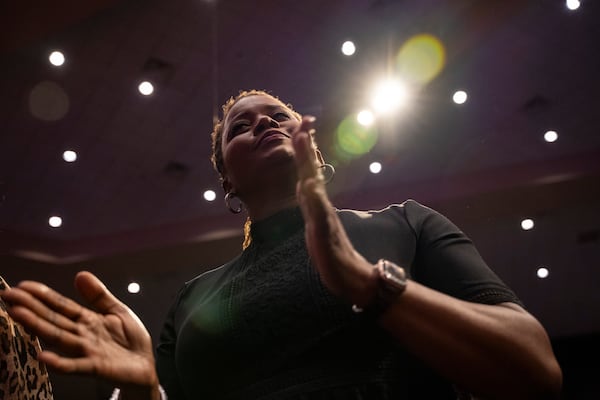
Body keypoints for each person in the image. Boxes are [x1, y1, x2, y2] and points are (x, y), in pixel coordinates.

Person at [0, 90, 562, 399]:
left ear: (314, 150)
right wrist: (148, 392)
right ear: (228, 181)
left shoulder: (406, 225)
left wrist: (368, 284)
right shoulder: (194, 302)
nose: (263, 122)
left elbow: (535, 369)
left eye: (278, 116)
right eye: (241, 127)